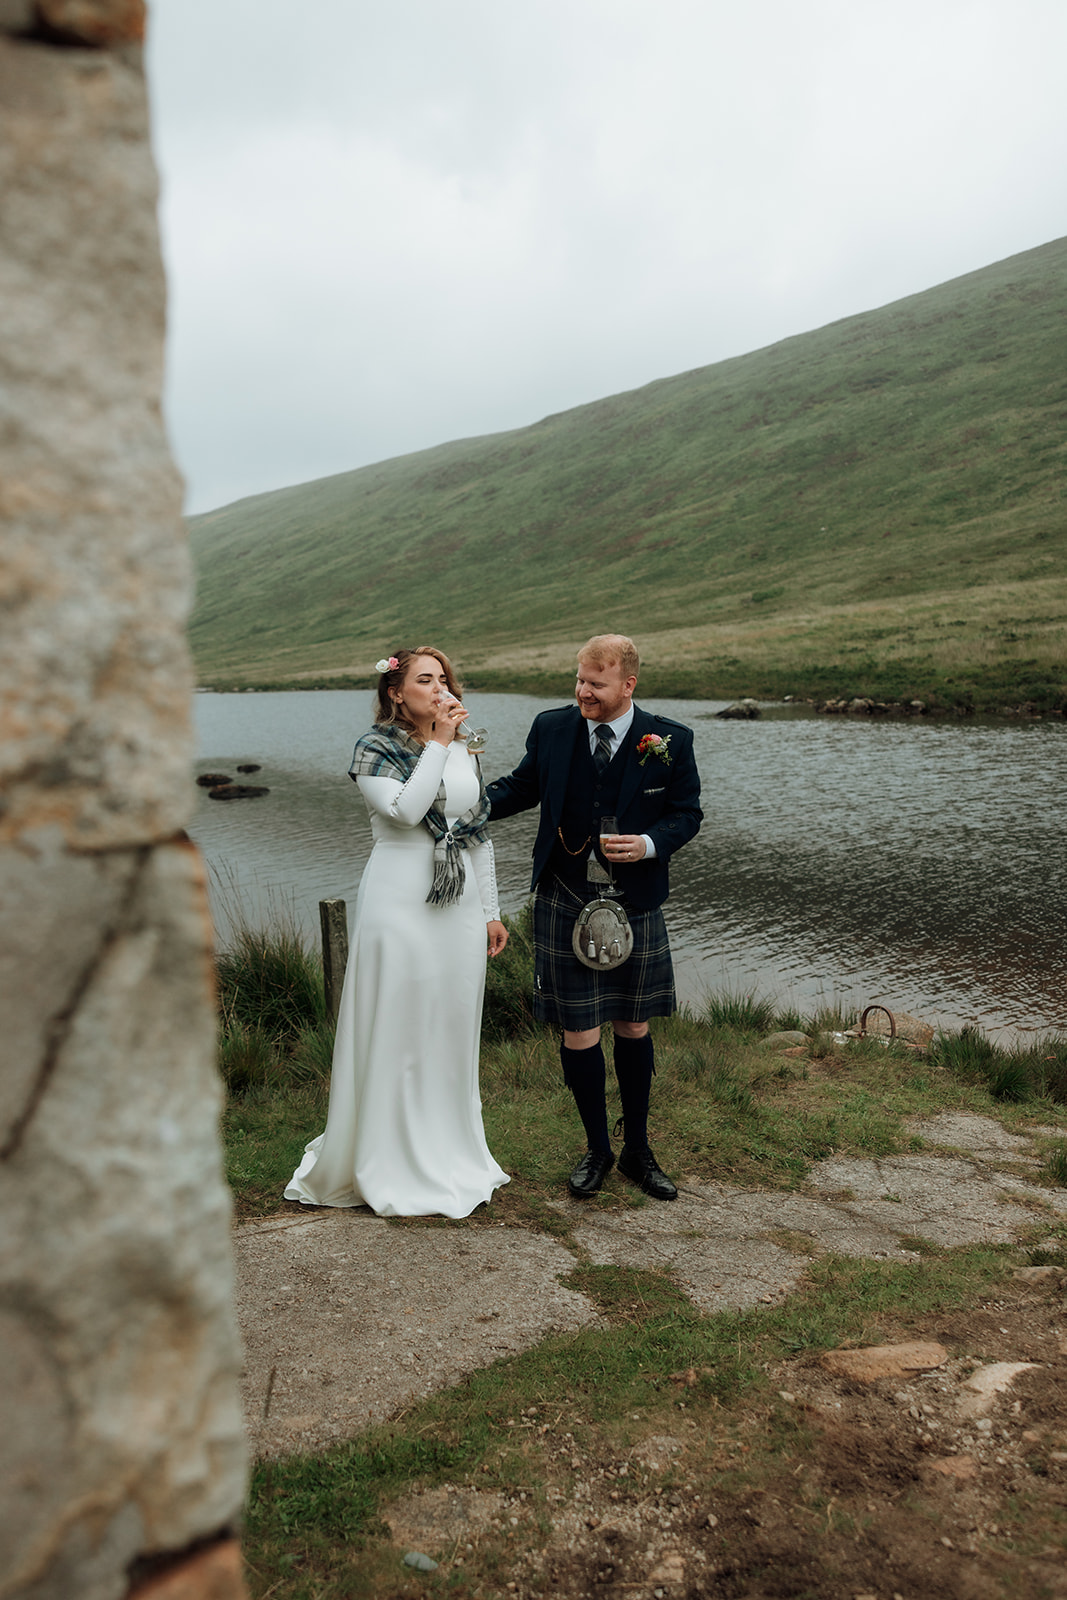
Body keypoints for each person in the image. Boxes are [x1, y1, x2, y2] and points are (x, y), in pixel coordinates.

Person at [285, 646, 510, 1218]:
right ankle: (388, 1156)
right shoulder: (375, 748)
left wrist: (490, 909)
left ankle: (449, 1148)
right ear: (395, 692)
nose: (439, 689)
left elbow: (476, 833)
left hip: (456, 903)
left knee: (449, 1019)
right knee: (401, 1018)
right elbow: (407, 813)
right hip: (399, 898)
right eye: (425, 679)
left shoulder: (464, 747)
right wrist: (437, 743)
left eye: (444, 680)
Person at [486, 634, 701, 1202]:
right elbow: (522, 787)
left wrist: (653, 843)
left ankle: (638, 1150)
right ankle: (597, 1150)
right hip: (565, 893)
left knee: (634, 1025)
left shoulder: (671, 740)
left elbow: (688, 814)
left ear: (628, 684)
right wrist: (466, 804)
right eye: (579, 680)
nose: (583, 692)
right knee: (578, 1031)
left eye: (596, 684)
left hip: (636, 900)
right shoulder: (552, 728)